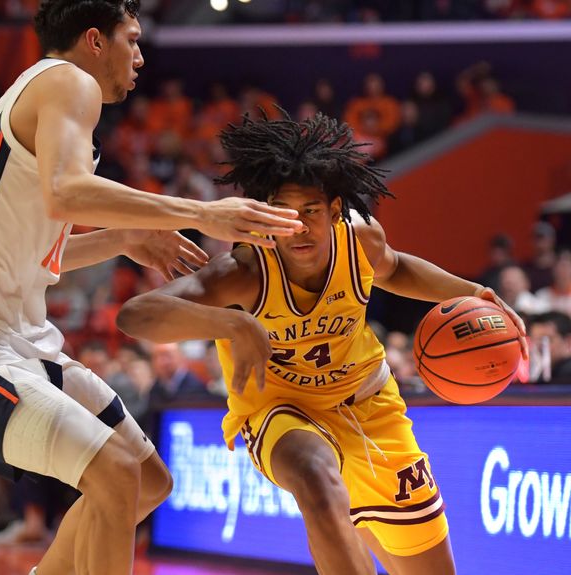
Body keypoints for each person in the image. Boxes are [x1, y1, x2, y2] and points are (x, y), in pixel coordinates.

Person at [0, 2, 303, 575]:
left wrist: (121, 236)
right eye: (131, 39)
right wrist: (202, 212)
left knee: (147, 480)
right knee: (113, 470)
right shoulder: (67, 80)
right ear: (93, 40)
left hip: (17, 343)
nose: (140, 55)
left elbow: (38, 252)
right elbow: (68, 193)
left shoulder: (45, 108)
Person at [117, 111, 527, 575]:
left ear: (334, 211)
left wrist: (472, 292)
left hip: (370, 409)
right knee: (314, 477)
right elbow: (136, 315)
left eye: (310, 212)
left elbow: (395, 268)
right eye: (284, 213)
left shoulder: (361, 241)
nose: (298, 227)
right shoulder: (247, 271)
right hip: (281, 411)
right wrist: (232, 326)